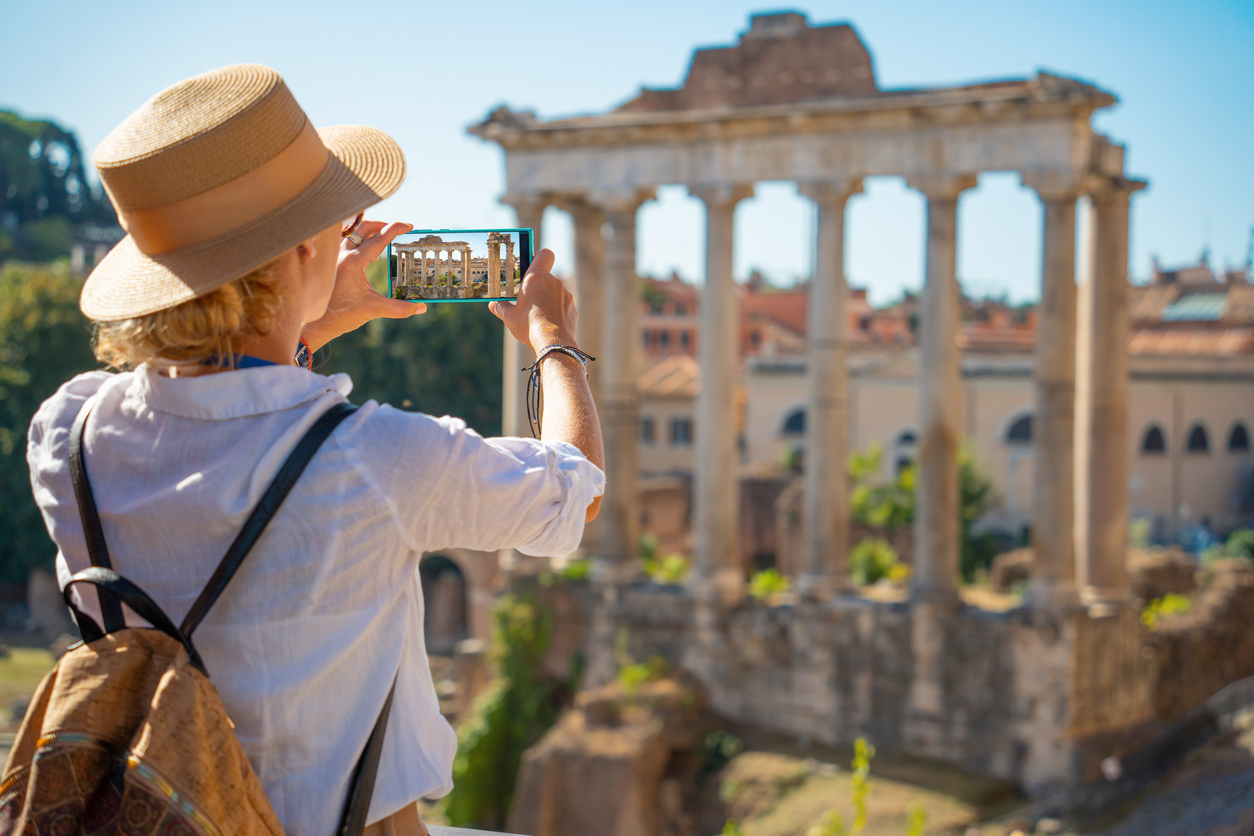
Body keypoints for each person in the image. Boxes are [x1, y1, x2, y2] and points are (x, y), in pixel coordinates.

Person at [25, 64, 604, 836]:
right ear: (301, 252)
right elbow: (576, 494)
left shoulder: (67, 434)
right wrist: (552, 340)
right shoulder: (377, 459)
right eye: (335, 223)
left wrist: (305, 329)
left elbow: (222, 413)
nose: (348, 234)